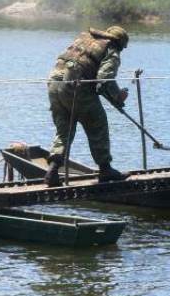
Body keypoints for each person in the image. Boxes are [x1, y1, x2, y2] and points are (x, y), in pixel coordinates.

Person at [44, 26, 130, 187]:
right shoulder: (111, 49)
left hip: (53, 84)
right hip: (75, 87)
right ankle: (105, 170)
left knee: (64, 130)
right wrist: (118, 97)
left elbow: (94, 78)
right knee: (98, 125)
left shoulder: (84, 39)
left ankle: (53, 171)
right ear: (120, 43)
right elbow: (104, 78)